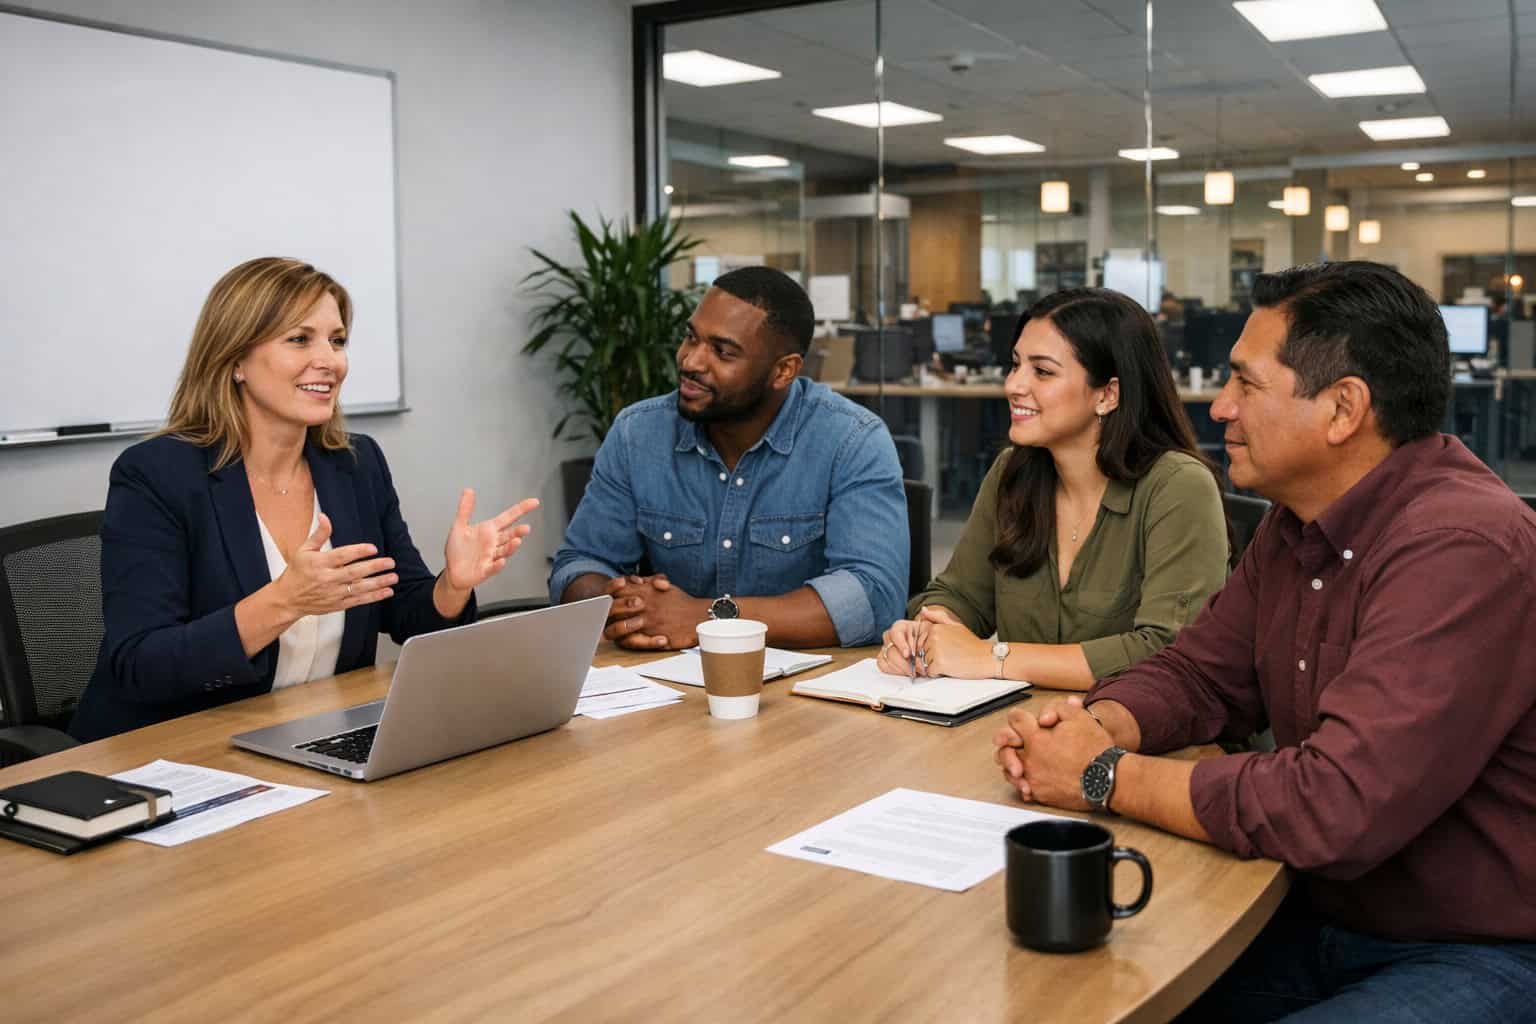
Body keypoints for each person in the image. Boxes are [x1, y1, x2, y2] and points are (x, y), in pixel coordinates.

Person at [993, 261, 1536, 1021]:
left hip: (1477, 947)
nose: (1218, 409)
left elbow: (1334, 805)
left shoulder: (1462, 546)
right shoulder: (1298, 522)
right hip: (1318, 911)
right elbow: (1200, 675)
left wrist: (1103, 775)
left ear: (1343, 409)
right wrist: (1096, 723)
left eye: (1246, 385)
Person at [70, 257, 539, 741]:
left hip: (309, 737)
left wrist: (452, 586)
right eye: (299, 339)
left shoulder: (356, 464)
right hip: (173, 755)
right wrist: (283, 602)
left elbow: (400, 606)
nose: (330, 361)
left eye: (337, 341)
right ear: (234, 361)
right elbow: (140, 662)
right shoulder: (157, 475)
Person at [878, 288, 1229, 689]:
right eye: (1015, 365)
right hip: (1018, 729)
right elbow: (961, 594)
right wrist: (928, 628)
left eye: (1042, 371)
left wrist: (993, 657)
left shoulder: (1177, 487)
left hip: (1141, 740)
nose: (1014, 385)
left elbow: (1167, 653)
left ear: (1107, 394)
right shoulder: (1013, 471)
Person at [549, 266, 908, 651]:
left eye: (723, 352)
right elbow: (579, 563)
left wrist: (706, 617)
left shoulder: (850, 440)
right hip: (666, 682)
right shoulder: (639, 432)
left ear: (783, 371)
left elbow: (873, 596)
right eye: (691, 337)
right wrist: (631, 607)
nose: (691, 361)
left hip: (805, 691)